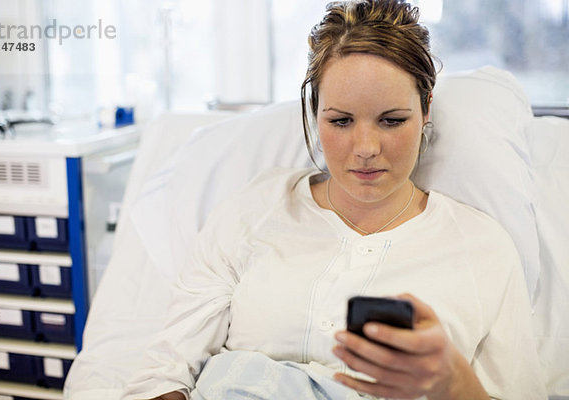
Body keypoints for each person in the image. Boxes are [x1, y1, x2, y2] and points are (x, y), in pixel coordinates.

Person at [121, 1, 546, 399]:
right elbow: (165, 372)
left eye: (392, 120)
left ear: (426, 108)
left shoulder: (482, 249)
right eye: (340, 121)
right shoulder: (255, 209)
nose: (365, 147)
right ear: (314, 112)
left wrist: (456, 384)